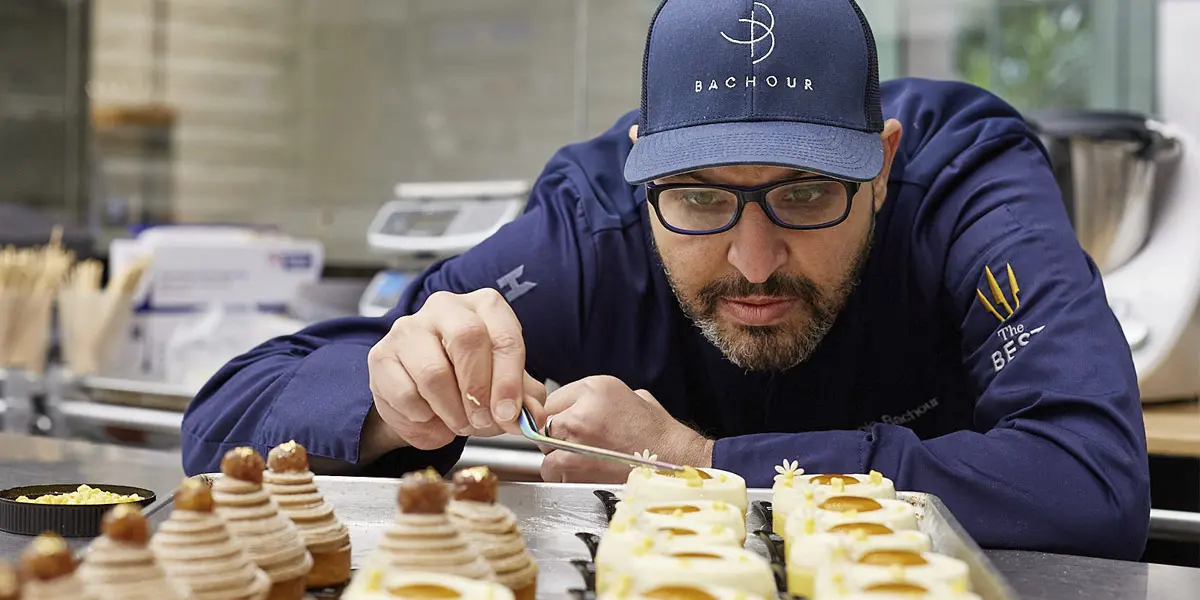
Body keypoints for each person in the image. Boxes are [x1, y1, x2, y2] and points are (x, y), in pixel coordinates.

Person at [181, 0, 1150, 560]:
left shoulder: (965, 192)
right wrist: (398, 392)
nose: (755, 258)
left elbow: (1094, 484)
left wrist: (700, 461)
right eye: (697, 199)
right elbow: (229, 416)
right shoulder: (588, 236)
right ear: (641, 168)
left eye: (808, 193)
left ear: (883, 163)